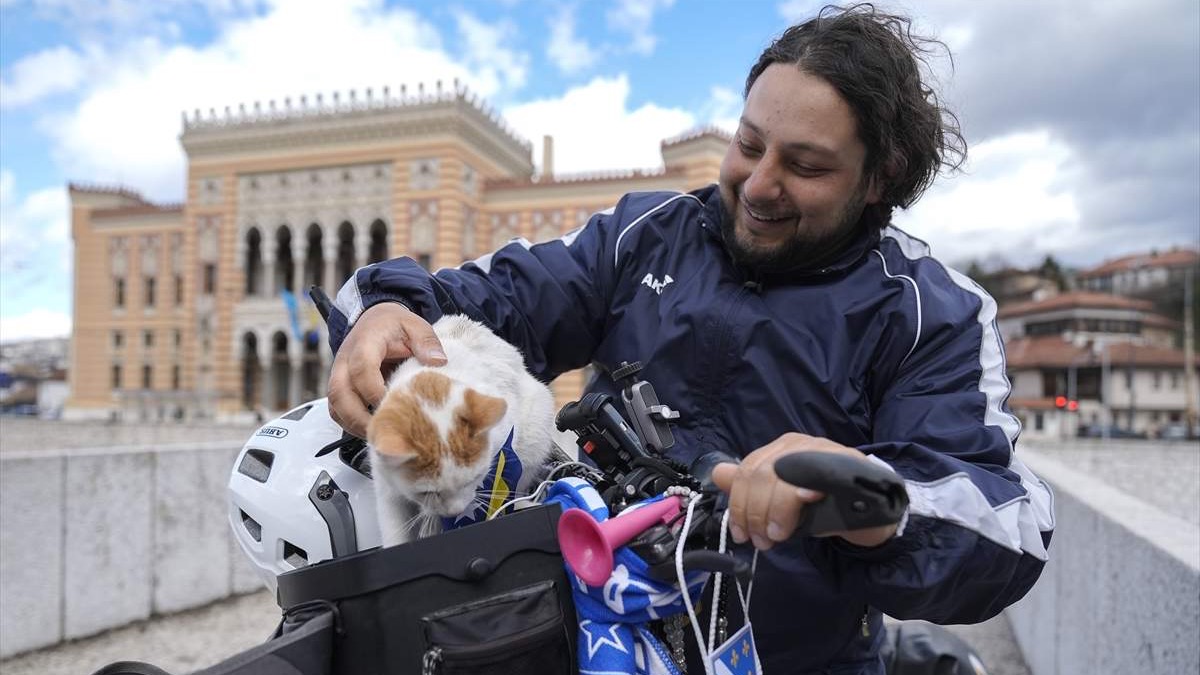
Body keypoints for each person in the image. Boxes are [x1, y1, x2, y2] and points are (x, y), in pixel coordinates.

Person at [323, 4, 1055, 673]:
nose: (759, 184)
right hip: (592, 640)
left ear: (878, 179)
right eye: (750, 143)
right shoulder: (647, 234)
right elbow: (488, 294)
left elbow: (1009, 527)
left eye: (804, 165)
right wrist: (383, 311)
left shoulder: (932, 313)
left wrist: (858, 493)